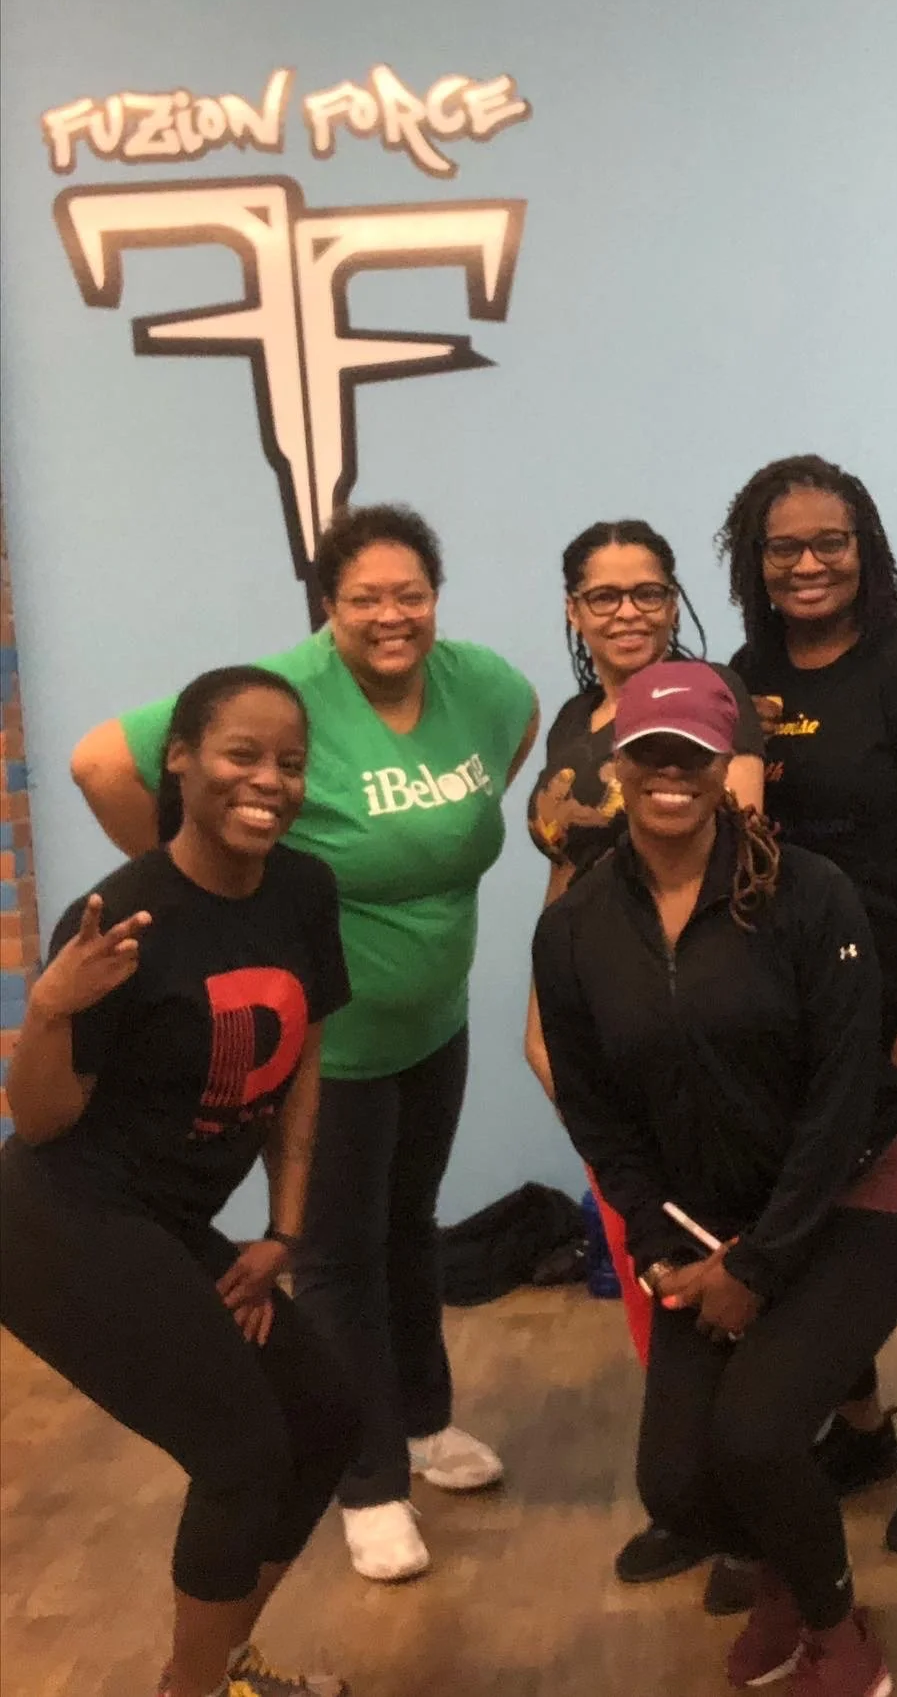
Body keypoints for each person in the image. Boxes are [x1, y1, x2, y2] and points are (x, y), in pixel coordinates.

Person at [69, 504, 539, 1583]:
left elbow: (505, 757)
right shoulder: (284, 693)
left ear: (436, 598)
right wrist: (202, 895)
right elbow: (100, 762)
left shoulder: (483, 685)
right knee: (334, 1255)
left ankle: (424, 1420)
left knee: (410, 1227)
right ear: (328, 605)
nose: (391, 615)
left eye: (411, 594)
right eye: (365, 597)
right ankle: (366, 1481)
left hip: (434, 1020)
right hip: (330, 1043)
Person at [533, 665, 897, 1697]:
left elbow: (841, 1098)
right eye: (650, 754)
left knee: (756, 1435)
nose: (670, 773)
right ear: (619, 766)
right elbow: (596, 1109)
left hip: (861, 1194)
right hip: (707, 1220)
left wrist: (759, 1264)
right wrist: (659, 1241)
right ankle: (785, 1577)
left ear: (726, 769)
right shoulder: (575, 926)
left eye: (694, 756)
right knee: (675, 1483)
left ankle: (841, 1634)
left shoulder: (809, 894)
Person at [0, 666, 359, 1697]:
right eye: (242, 754)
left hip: (163, 1221)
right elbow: (43, 1121)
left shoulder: (302, 890)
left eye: (290, 762)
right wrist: (51, 1007)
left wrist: (283, 1230)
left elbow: (303, 1060)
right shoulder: (125, 915)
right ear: (182, 760)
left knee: (324, 1417)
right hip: (58, 1219)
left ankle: (209, 1668)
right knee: (241, 1450)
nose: (269, 780)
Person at [720, 454, 897, 1556]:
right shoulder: (747, 673)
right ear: (754, 561)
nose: (808, 563)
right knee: (823, 1215)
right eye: (783, 546)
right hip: (808, 1005)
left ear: (866, 550)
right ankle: (862, 1425)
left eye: (829, 542)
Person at [524, 518, 765, 1601]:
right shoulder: (573, 723)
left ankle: (750, 1504)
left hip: (691, 997)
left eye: (648, 591)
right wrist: (543, 1011)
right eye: (604, 594)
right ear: (573, 609)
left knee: (718, 1240)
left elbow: (742, 851)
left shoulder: (716, 697)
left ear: (676, 599)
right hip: (594, 995)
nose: (628, 612)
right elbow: (566, 869)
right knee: (638, 1242)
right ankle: (691, 1488)